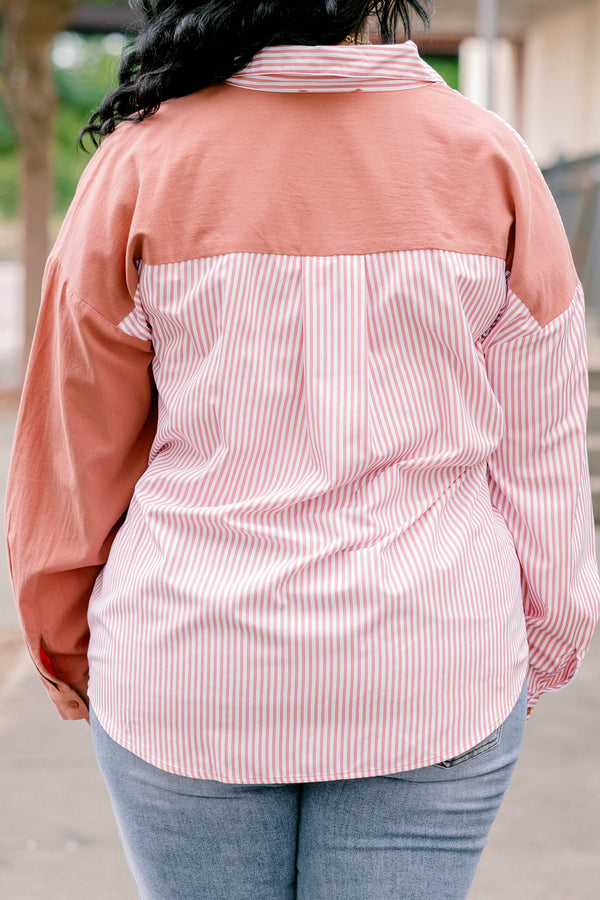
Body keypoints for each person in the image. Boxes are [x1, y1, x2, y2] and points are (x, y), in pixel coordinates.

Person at [5, 1, 600, 897]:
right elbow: (541, 448)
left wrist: (60, 639)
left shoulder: (143, 160)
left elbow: (71, 448)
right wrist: (538, 643)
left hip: (187, 662)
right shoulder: (489, 158)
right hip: (430, 663)